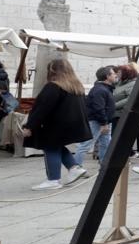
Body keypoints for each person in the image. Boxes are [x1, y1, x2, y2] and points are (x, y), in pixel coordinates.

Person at [19, 59, 90, 190]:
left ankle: (53, 180)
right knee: (57, 146)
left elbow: (42, 108)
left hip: (55, 125)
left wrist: (29, 126)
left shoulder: (54, 86)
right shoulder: (76, 86)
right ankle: (74, 168)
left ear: (52, 70)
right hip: (72, 124)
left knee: (50, 148)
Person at [75, 65, 118, 168]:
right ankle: (76, 168)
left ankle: (104, 165)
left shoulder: (105, 89)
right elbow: (98, 108)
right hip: (97, 122)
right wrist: (104, 123)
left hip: (104, 122)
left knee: (106, 144)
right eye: (113, 73)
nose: (115, 75)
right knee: (86, 145)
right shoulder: (100, 90)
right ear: (107, 76)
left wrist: (105, 123)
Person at [112, 63, 139, 154]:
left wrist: (114, 105)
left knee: (119, 137)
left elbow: (130, 99)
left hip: (123, 114)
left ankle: (129, 154)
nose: (117, 74)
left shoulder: (133, 83)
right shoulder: (120, 83)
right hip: (116, 113)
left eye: (119, 72)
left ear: (126, 73)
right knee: (116, 137)